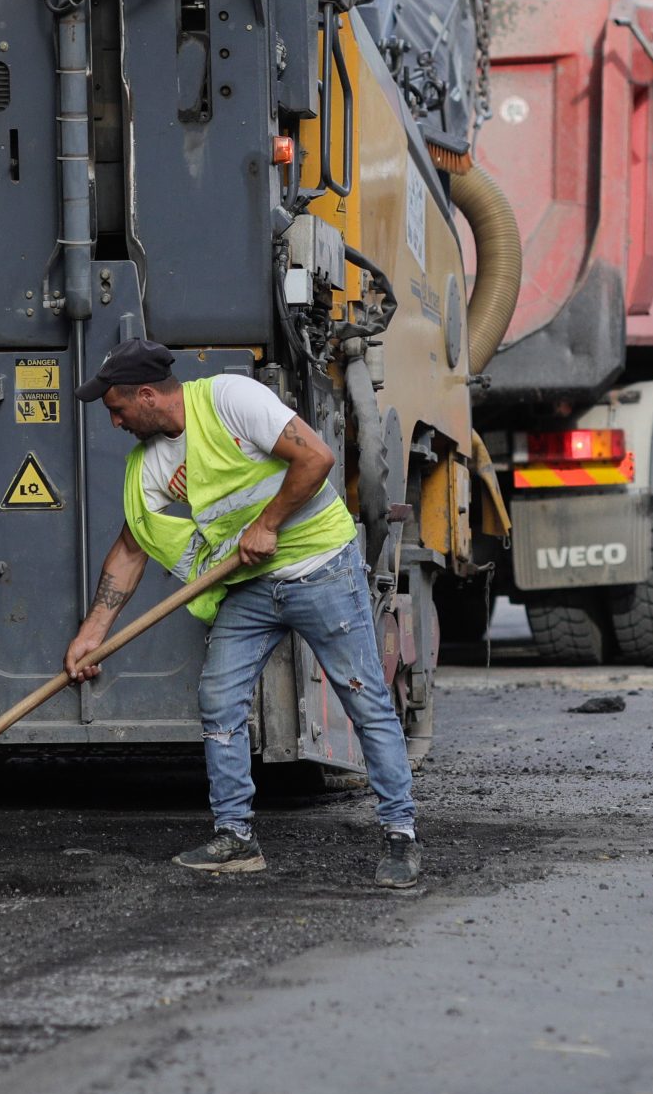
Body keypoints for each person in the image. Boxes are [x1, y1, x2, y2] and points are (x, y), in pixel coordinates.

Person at [63, 336, 421, 889]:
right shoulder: (150, 462)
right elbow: (131, 550)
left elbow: (316, 458)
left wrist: (269, 523)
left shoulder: (231, 399)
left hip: (320, 567)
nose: (114, 423)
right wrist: (92, 633)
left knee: (364, 696)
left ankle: (400, 834)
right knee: (219, 699)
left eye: (116, 410)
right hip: (250, 586)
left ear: (146, 395)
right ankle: (236, 836)